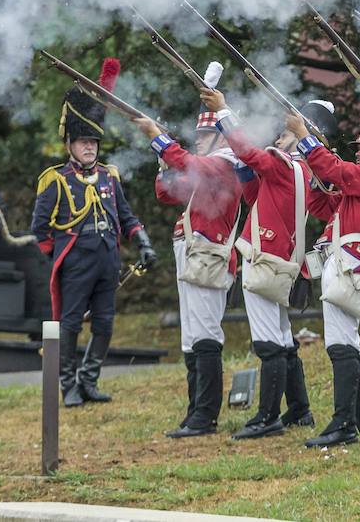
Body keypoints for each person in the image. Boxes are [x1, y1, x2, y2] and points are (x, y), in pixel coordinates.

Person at [200, 85, 336, 440]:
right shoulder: (306, 172)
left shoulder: (282, 163)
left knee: (267, 341)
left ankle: (267, 416)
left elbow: (248, 152)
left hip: (264, 260)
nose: (280, 135)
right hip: (285, 263)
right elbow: (256, 197)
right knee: (283, 337)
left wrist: (223, 111)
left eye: (289, 132)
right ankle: (300, 409)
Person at [32, 59, 158, 409]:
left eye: (93, 142)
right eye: (83, 142)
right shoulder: (55, 179)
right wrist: (61, 256)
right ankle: (68, 384)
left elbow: (127, 216)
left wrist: (142, 241)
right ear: (69, 144)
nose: (89, 147)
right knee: (70, 324)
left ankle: (89, 380)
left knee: (104, 323)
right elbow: (39, 229)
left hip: (107, 259)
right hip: (75, 261)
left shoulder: (109, 176)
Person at [135, 98, 244, 438]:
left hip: (209, 254)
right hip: (194, 252)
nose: (198, 138)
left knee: (206, 333)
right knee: (192, 335)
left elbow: (187, 161)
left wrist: (158, 137)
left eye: (206, 132)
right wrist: (162, 157)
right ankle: (194, 410)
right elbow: (168, 192)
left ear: (223, 137)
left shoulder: (226, 162)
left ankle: (206, 415)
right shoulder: (209, 166)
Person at [290, 114, 360, 448]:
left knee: (340, 343)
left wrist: (306, 138)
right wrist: (315, 173)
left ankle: (343, 423)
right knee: (348, 342)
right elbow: (321, 203)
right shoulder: (359, 188)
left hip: (349, 263)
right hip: (341, 261)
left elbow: (337, 170)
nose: (359, 155)